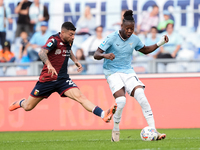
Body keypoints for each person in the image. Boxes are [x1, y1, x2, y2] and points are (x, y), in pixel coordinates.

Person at [9, 22, 117, 124]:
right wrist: (49, 64)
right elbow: (42, 52)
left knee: (80, 97)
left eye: (74, 34)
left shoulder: (69, 40)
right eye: (71, 34)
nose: (73, 37)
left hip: (62, 79)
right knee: (28, 106)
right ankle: (20, 102)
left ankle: (103, 114)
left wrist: (75, 61)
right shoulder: (53, 40)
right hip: (47, 80)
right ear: (63, 32)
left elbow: (68, 50)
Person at [94, 10, 168, 142]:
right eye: (127, 28)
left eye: (132, 29)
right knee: (121, 101)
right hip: (112, 72)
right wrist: (105, 55)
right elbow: (96, 54)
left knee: (142, 96)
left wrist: (160, 43)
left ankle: (154, 131)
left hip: (128, 71)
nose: (129, 31)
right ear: (121, 27)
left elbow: (144, 50)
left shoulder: (134, 39)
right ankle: (116, 130)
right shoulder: (111, 37)